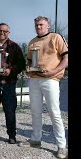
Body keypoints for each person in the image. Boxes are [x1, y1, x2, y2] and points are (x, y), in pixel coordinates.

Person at [18, 16, 68, 159]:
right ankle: (35, 139)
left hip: (50, 79)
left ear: (48, 25)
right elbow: (28, 62)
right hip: (34, 80)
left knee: (54, 112)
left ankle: (61, 146)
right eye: (36, 25)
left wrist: (54, 71)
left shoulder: (56, 37)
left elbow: (66, 58)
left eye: (41, 25)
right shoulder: (32, 42)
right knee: (35, 111)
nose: (38, 27)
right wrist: (28, 69)